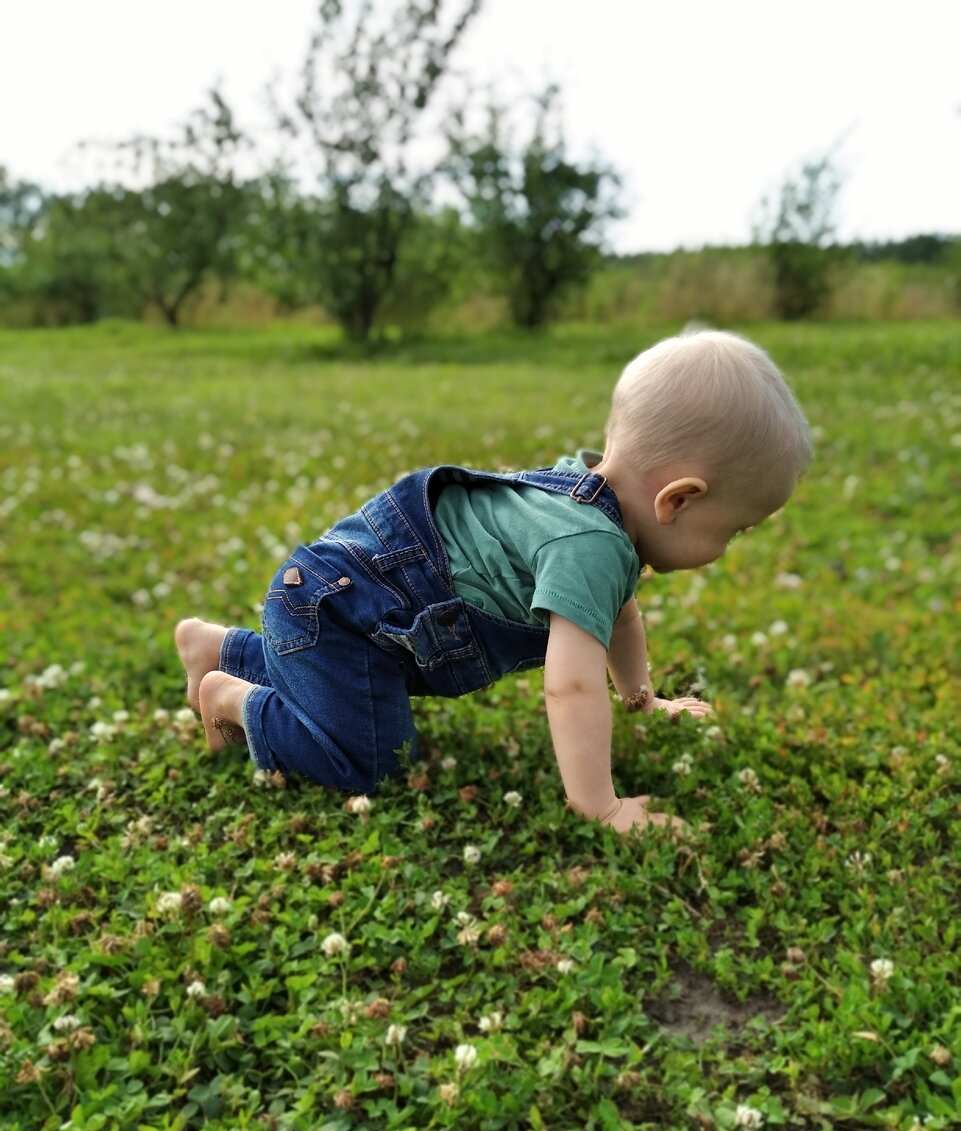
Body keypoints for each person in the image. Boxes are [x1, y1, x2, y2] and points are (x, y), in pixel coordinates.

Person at [175, 330, 812, 836]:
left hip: (338, 603)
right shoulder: (589, 545)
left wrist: (642, 698)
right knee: (369, 763)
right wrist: (601, 804)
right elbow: (569, 684)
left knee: (343, 683)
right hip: (341, 613)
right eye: (732, 531)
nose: (724, 551)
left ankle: (223, 647)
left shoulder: (584, 498)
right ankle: (234, 697)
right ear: (677, 500)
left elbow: (619, 615)